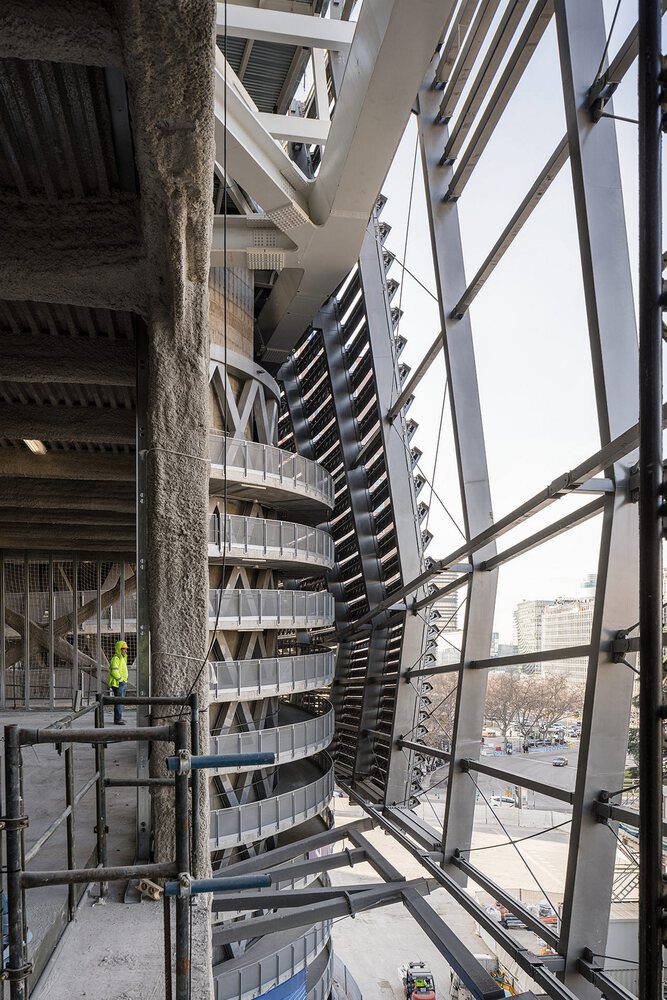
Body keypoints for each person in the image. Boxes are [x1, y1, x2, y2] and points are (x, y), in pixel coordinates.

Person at [108, 640, 128, 725]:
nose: (125, 650)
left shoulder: (121, 658)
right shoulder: (116, 658)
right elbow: (114, 670)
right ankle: (117, 719)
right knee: (119, 701)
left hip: (121, 682)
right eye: (123, 648)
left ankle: (119, 718)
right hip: (118, 683)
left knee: (120, 701)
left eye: (126, 648)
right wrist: (120, 679)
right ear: (119, 649)